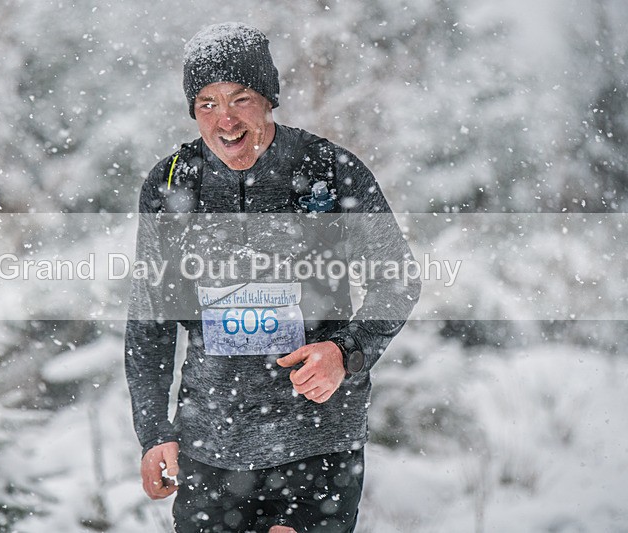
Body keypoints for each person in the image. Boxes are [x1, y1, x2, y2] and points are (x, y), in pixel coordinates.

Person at [125, 22, 420, 533]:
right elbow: (150, 322)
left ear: (268, 100)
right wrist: (154, 432)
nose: (226, 120)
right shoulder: (173, 184)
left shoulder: (328, 169)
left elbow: (397, 279)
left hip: (317, 440)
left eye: (240, 99)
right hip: (209, 445)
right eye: (207, 104)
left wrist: (344, 352)